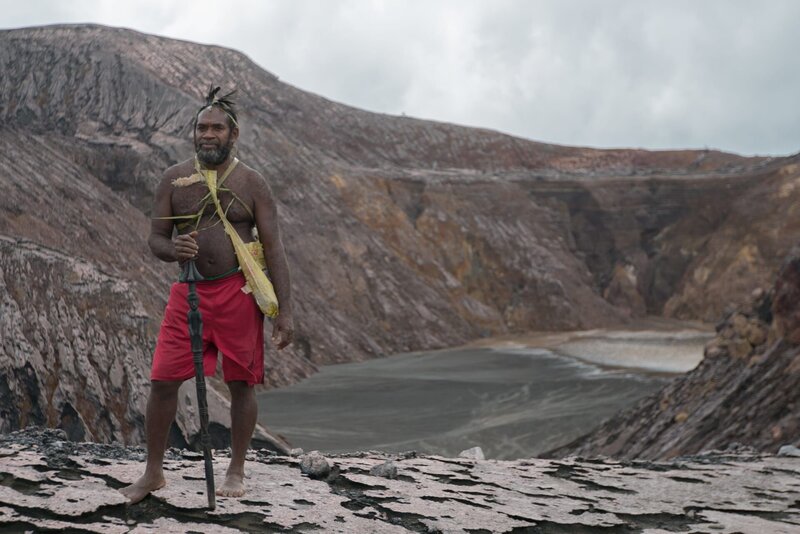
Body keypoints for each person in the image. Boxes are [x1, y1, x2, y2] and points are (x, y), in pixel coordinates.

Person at [120, 87, 293, 504]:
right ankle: (153, 472)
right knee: (163, 380)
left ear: (234, 134)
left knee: (241, 384)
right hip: (189, 294)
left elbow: (274, 248)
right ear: (193, 133)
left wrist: (285, 312)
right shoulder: (174, 179)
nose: (208, 134)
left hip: (238, 292)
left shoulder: (252, 183)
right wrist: (172, 250)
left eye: (217, 128)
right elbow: (157, 239)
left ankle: (236, 469)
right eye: (202, 127)